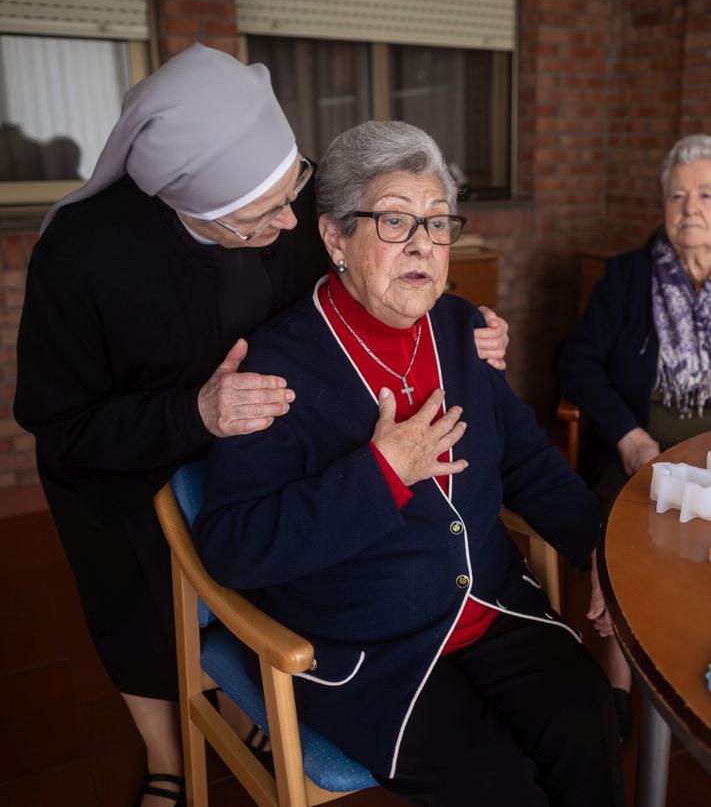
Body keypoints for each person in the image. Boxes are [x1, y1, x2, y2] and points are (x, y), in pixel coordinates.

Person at [13, 46, 508, 807]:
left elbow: (375, 271)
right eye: (259, 218)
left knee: (284, 560)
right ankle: (165, 755)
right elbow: (60, 424)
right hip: (127, 467)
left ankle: (251, 710)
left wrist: (464, 325)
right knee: (139, 616)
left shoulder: (283, 200)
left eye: (293, 192)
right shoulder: (79, 259)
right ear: (191, 208)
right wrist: (195, 411)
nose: (290, 221)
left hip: (274, 448)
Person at [193, 120, 624, 807]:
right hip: (366, 651)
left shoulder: (462, 330)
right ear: (334, 236)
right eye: (394, 221)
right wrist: (380, 472)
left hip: (489, 605)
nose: (423, 243)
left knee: (589, 723)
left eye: (437, 222)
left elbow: (524, 459)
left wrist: (598, 548)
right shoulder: (275, 367)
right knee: (500, 788)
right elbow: (232, 546)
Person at [558, 132, 711, 741]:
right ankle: (621, 687)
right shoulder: (627, 278)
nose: (690, 208)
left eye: (705, 194)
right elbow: (578, 363)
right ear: (663, 206)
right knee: (640, 548)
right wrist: (627, 435)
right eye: (677, 196)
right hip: (643, 454)